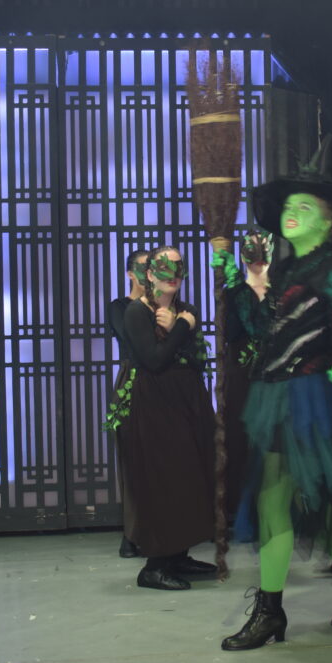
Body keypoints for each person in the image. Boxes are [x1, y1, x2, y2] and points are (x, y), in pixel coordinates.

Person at [214, 140, 332, 651]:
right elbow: (263, 331)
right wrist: (239, 284)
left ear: (330, 223)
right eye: (289, 205)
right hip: (275, 397)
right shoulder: (286, 271)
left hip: (311, 402)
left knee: (278, 502)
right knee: (318, 509)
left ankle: (271, 613)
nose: (293, 211)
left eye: (305, 207)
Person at [119, 246, 218, 590]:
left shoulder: (187, 310)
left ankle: (179, 555)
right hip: (155, 406)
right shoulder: (136, 312)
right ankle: (155, 565)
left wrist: (180, 325)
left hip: (187, 401)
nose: (172, 274)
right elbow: (155, 360)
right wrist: (180, 329)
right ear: (149, 274)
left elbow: (197, 359)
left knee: (190, 476)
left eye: (178, 267)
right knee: (164, 480)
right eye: (164, 267)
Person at [223, 231, 272, 515]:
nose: (258, 257)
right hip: (241, 375)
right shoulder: (232, 292)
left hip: (274, 375)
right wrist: (242, 291)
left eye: (263, 249)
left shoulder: (281, 293)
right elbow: (233, 332)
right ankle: (241, 508)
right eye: (252, 250)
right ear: (243, 255)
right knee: (240, 439)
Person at [107, 249, 148, 558]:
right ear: (130, 273)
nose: (151, 273)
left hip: (165, 380)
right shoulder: (119, 307)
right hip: (132, 379)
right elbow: (131, 339)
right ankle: (132, 534)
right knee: (133, 458)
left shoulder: (167, 304)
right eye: (143, 268)